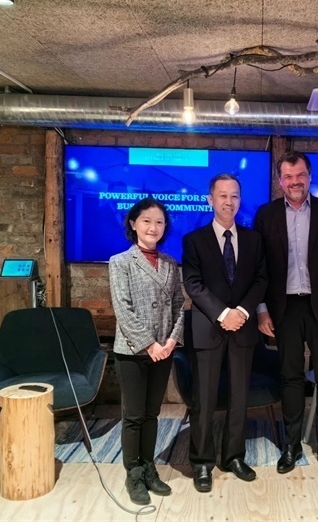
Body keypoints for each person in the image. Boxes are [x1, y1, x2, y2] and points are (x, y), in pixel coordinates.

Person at [254, 150, 318, 479]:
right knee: (291, 378)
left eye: (300, 175)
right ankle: (291, 444)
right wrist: (262, 309)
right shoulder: (266, 214)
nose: (295, 182)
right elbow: (259, 267)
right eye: (288, 177)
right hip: (284, 309)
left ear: (309, 177)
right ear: (280, 180)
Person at [182, 173, 268, 493]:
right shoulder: (194, 240)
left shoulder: (254, 240)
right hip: (208, 328)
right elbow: (193, 284)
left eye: (234, 196)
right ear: (210, 200)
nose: (228, 201)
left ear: (240, 200)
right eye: (222, 195)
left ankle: (233, 456)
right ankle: (202, 461)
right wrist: (223, 314)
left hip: (242, 329)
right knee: (203, 399)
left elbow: (261, 280)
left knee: (238, 397)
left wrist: (241, 312)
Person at [108, 197, 184, 505]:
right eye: (147, 221)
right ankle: (134, 473)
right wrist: (149, 344)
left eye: (160, 222)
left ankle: (149, 467)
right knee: (134, 415)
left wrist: (171, 341)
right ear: (133, 223)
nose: (154, 227)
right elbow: (123, 309)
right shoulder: (120, 262)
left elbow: (179, 305)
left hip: (164, 350)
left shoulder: (170, 263)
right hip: (133, 351)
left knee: (152, 413)